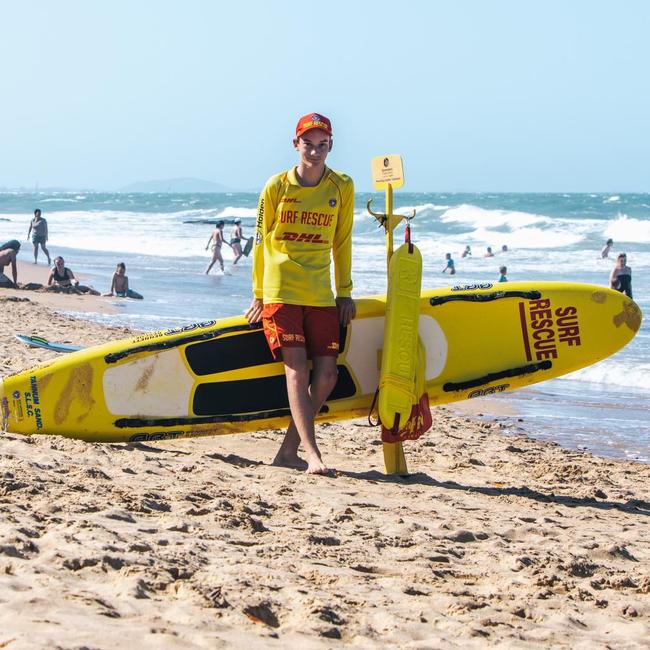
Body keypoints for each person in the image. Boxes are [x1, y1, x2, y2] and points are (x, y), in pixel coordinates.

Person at [244, 112, 355, 475]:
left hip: (320, 291)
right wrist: (259, 293)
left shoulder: (341, 187)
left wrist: (346, 292)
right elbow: (259, 242)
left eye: (322, 144)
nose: (315, 151)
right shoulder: (277, 186)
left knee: (327, 375)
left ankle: (289, 451)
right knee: (295, 370)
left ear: (330, 146)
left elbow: (342, 241)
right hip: (281, 288)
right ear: (296, 145)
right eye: (308, 143)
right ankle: (313, 454)